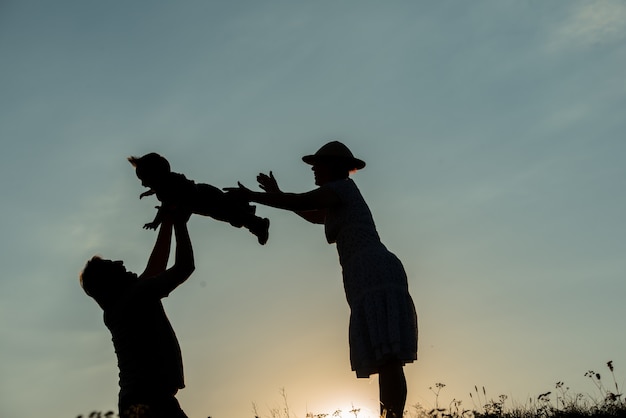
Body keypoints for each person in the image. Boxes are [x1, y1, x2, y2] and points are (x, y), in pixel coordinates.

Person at [227, 141, 418, 418]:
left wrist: (253, 196)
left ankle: (393, 416)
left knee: (389, 357)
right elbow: (313, 214)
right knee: (385, 356)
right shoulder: (336, 195)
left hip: (373, 270)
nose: (314, 170)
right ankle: (389, 415)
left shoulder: (341, 188)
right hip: (364, 272)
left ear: (333, 167)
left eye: (318, 165)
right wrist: (276, 194)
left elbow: (303, 201)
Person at [79, 207, 195, 418]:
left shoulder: (124, 303)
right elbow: (184, 267)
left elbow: (156, 267)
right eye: (113, 265)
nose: (121, 262)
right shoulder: (135, 298)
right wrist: (179, 220)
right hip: (150, 401)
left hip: (140, 401)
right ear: (110, 282)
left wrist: (168, 220)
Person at [129, 152, 270, 244]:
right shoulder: (168, 183)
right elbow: (171, 198)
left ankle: (259, 224)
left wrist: (155, 223)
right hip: (205, 196)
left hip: (206, 200)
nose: (143, 184)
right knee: (231, 213)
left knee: (232, 214)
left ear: (157, 175)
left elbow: (168, 204)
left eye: (145, 179)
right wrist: (152, 192)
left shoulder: (167, 188)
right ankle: (253, 219)